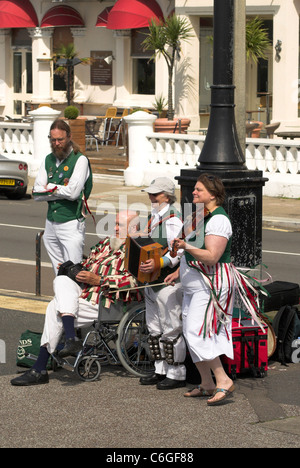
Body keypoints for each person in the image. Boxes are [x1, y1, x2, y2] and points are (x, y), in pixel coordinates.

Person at [11, 210, 141, 387]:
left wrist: (99, 280)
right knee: (62, 278)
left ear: (134, 228)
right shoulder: (107, 243)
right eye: (115, 223)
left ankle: (41, 367)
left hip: (109, 302)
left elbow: (135, 282)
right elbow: (89, 265)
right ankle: (70, 339)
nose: (115, 228)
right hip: (86, 294)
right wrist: (73, 268)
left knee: (53, 309)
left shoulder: (137, 250)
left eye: (120, 225)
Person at [165, 173, 236, 405]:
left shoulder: (218, 220)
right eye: (194, 189)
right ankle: (206, 383)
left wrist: (185, 246)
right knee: (190, 332)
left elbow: (212, 256)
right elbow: (194, 254)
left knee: (197, 332)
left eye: (199, 190)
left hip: (210, 285)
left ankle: (222, 379)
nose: (193, 192)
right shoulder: (202, 217)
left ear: (213, 194)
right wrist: (178, 271)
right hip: (194, 285)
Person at [138, 177, 186, 390]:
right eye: (150, 193)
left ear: (167, 196)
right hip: (152, 280)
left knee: (170, 327)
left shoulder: (174, 219)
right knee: (154, 327)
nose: (151, 197)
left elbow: (178, 251)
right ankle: (160, 369)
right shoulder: (154, 216)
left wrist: (160, 262)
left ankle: (176, 372)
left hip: (166, 280)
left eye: (155, 194)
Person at [33, 119, 93, 274]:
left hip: (71, 223)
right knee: (58, 271)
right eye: (53, 140)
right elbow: (36, 193)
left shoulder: (80, 160)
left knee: (74, 271)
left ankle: (76, 298)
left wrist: (50, 188)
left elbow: (73, 194)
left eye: (60, 139)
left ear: (69, 137)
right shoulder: (48, 159)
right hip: (50, 223)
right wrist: (60, 191)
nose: (57, 143)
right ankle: (61, 298)